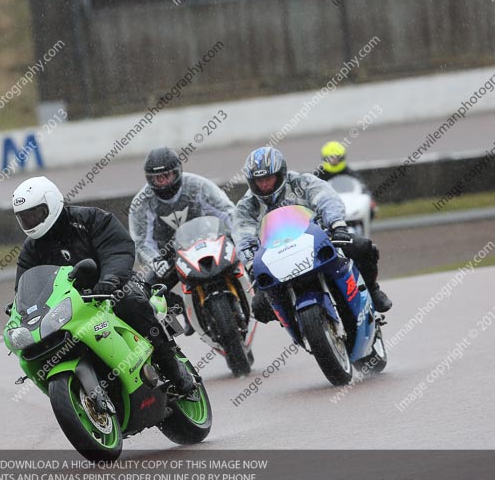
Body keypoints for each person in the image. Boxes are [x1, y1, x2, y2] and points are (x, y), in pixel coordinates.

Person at [12, 175, 196, 395]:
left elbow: (117, 248)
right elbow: (25, 283)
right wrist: (20, 308)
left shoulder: (90, 219)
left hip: (112, 287)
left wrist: (109, 280)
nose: (31, 222)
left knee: (131, 302)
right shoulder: (31, 249)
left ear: (51, 204)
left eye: (35, 214)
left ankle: (172, 367)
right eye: (25, 217)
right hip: (71, 306)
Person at [232, 147, 392, 322]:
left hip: (319, 241)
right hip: (276, 257)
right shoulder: (247, 206)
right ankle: (298, 324)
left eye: (268, 178)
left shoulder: (302, 182)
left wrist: (337, 226)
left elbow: (326, 199)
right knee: (260, 308)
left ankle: (372, 290)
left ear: (280, 173)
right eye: (258, 180)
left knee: (363, 247)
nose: (263, 185)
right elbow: (243, 235)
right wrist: (250, 262)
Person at [128, 147, 236, 336]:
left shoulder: (198, 186)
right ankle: (181, 313)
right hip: (170, 257)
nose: (162, 183)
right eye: (157, 178)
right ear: (149, 179)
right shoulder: (141, 203)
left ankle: (258, 296)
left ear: (177, 172)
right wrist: (154, 261)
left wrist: (236, 236)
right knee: (144, 294)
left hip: (209, 243)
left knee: (244, 257)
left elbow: (227, 212)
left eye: (166, 176)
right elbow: (141, 242)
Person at [315, 140, 378, 217]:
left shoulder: (348, 172)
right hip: (329, 207)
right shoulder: (319, 174)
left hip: (348, 205)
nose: (334, 161)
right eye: (331, 158)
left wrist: (369, 199)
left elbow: (362, 186)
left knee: (371, 209)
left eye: (336, 158)